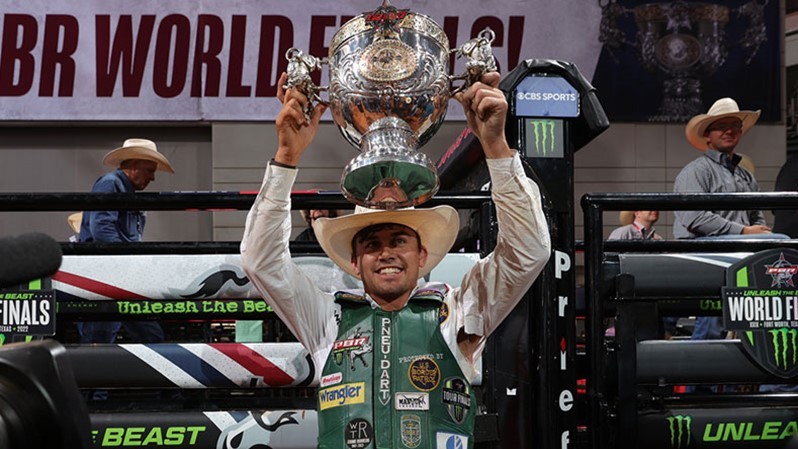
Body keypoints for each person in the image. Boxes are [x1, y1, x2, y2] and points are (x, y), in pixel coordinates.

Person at [240, 71, 551, 448]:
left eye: (399, 240)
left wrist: (496, 148)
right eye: (372, 244)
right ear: (355, 261)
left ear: (422, 256)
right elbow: (260, 260)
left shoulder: (460, 311)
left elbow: (529, 251)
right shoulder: (326, 319)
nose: (386, 252)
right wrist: (287, 158)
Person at [77, 138, 174, 344]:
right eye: (149, 170)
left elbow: (105, 228)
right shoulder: (111, 184)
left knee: (142, 333)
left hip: (117, 270)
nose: (153, 178)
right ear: (133, 166)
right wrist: (128, 260)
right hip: (106, 272)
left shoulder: (122, 189)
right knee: (104, 333)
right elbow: (102, 229)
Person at [673, 97, 786, 240]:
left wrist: (755, 233)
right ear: (707, 135)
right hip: (703, 248)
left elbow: (756, 216)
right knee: (781, 241)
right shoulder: (695, 171)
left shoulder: (746, 175)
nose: (729, 131)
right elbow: (695, 218)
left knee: (779, 241)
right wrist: (744, 232)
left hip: (735, 245)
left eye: (735, 125)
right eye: (721, 126)